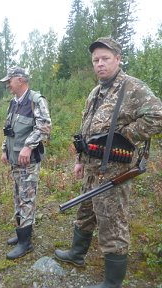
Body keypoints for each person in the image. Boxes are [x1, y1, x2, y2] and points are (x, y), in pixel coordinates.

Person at [54, 37, 162, 287]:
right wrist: (80, 160)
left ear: (118, 59)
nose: (100, 64)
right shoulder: (95, 92)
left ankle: (112, 283)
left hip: (115, 171)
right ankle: (77, 254)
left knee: (112, 224)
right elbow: (87, 129)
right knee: (85, 212)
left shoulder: (132, 87)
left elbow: (158, 116)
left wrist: (126, 135)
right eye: (96, 60)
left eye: (105, 59)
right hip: (91, 167)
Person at [0, 66, 51, 260]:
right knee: (17, 196)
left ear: (20, 80)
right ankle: (21, 233)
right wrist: (4, 149)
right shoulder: (13, 103)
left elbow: (45, 127)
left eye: (9, 81)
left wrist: (29, 146)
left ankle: (26, 243)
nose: (7, 85)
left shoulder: (35, 100)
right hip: (15, 160)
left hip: (29, 162)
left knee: (27, 198)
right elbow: (8, 129)